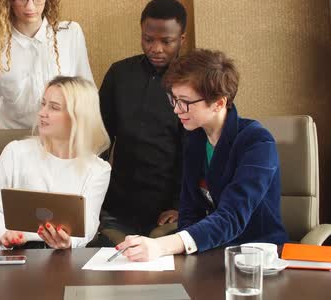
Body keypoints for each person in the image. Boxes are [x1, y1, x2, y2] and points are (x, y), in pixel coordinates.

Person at [115, 49, 288, 261]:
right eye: (174, 99)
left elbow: (232, 217)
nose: (177, 110)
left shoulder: (257, 143)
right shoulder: (195, 139)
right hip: (211, 252)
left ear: (219, 103)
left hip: (257, 257)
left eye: (185, 101)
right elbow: (190, 212)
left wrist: (162, 246)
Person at [0, 76, 110, 249]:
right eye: (43, 104)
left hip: (66, 257)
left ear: (77, 117)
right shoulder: (16, 152)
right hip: (18, 253)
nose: (42, 112)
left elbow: (89, 224)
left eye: (54, 107)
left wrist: (68, 242)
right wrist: (3, 235)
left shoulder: (98, 169)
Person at [0, 0, 93, 145]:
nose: (30, 6)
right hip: (12, 149)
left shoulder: (71, 34)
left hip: (64, 146)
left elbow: (89, 97)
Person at [98, 0, 186, 243]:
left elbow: (196, 151)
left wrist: (181, 204)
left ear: (181, 39)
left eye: (166, 41)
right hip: (118, 203)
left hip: (169, 209)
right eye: (148, 39)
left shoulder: (193, 82)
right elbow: (100, 140)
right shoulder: (120, 74)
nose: (156, 48)